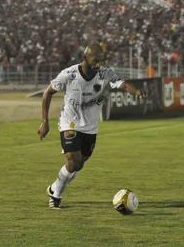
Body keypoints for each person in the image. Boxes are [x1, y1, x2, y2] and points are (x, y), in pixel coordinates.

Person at [37, 43, 145, 209]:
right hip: (70, 123)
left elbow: (124, 84)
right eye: (95, 60)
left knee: (79, 164)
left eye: (100, 61)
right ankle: (56, 194)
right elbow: (47, 93)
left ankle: (54, 188)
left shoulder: (105, 74)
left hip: (90, 127)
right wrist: (45, 121)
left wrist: (136, 92)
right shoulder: (68, 74)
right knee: (73, 162)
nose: (98, 64)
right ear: (84, 58)